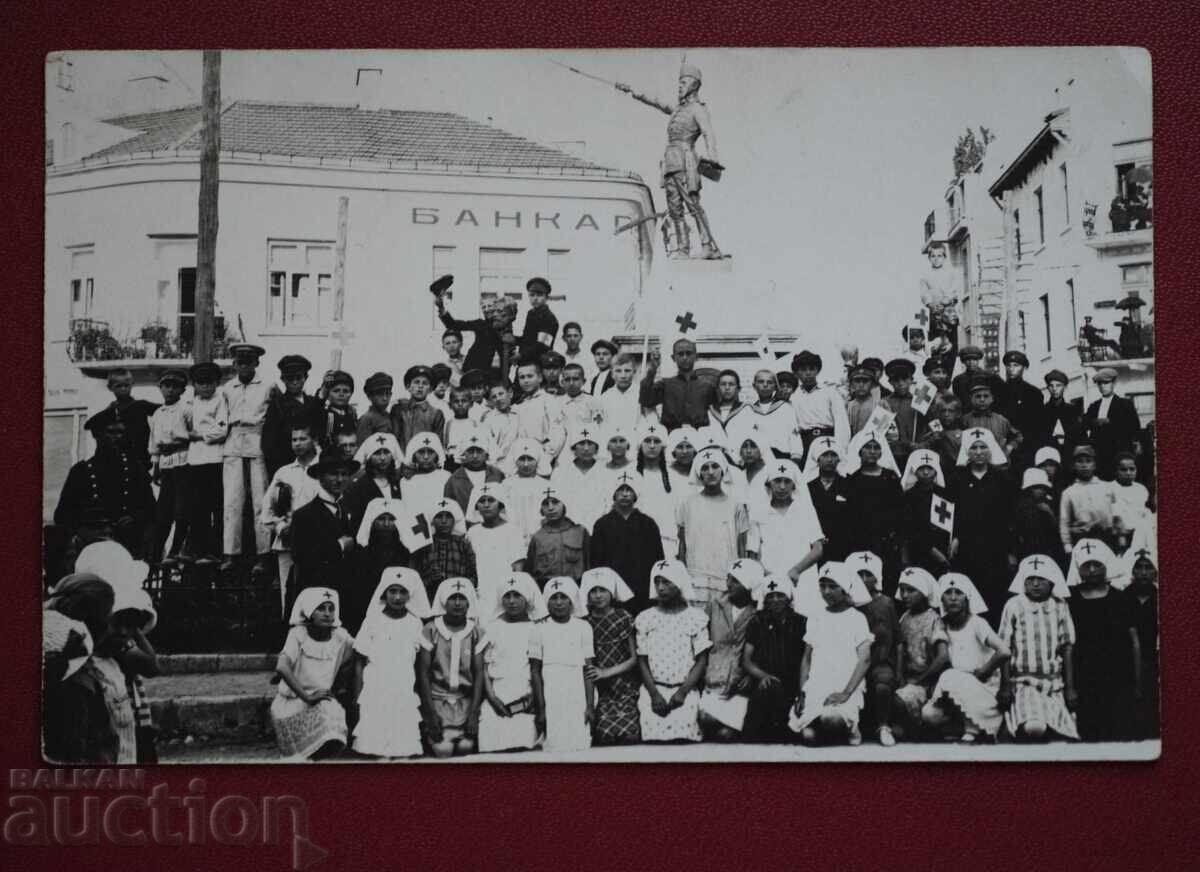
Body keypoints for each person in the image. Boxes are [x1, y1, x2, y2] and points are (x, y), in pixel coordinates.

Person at [617, 63, 722, 259]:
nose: (680, 86)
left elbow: (708, 133)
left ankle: (708, 246)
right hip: (670, 164)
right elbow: (656, 101)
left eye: (683, 82)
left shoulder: (698, 109)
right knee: (675, 210)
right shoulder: (677, 109)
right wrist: (632, 91)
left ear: (694, 84)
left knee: (693, 205)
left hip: (685, 161)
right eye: (679, 82)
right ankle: (682, 248)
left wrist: (713, 157)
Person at [790, 562, 873, 746]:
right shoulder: (816, 616)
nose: (826, 591)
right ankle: (829, 730)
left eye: (833, 586)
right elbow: (807, 658)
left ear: (844, 589)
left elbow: (865, 659)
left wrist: (845, 693)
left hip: (845, 684)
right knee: (807, 737)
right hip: (818, 685)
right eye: (823, 586)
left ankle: (848, 727)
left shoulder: (857, 618)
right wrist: (802, 692)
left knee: (831, 719)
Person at [921, 573, 1011, 743]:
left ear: (967, 597)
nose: (953, 598)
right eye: (948, 593)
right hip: (958, 689)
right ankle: (964, 726)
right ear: (941, 598)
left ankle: (977, 727)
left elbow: (1004, 651)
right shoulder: (942, 625)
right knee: (929, 714)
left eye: (958, 593)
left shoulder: (977, 623)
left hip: (984, 687)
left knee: (950, 675)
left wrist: (985, 670)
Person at [55, 409, 155, 561]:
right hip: (91, 547)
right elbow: (62, 515)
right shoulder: (81, 472)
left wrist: (135, 518)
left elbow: (152, 509)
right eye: (111, 432)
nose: (118, 438)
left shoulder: (136, 469)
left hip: (128, 545)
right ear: (97, 435)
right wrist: (87, 527)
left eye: (121, 432)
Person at [999, 555, 1080, 743]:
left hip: (1053, 684)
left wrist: (1070, 688)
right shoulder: (1013, 605)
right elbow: (1004, 646)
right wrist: (1005, 685)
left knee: (1064, 728)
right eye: (1030, 579)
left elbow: (1067, 646)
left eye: (1041, 579)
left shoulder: (1060, 606)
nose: (1035, 584)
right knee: (1034, 726)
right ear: (1023, 582)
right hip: (1022, 682)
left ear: (1052, 582)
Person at [1066, 539, 1140, 742]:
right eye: (1086, 565)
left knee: (1118, 731)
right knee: (1090, 732)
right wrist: (1070, 686)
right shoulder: (1070, 601)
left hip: (1118, 676)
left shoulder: (1121, 598)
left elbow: (1133, 641)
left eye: (1096, 564)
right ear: (1077, 569)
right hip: (1085, 677)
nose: (1091, 570)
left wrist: (1137, 679)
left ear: (1106, 565)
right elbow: (1069, 646)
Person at [351, 568, 429, 759]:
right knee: (376, 747)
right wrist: (357, 692)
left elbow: (419, 663)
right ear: (384, 593)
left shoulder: (415, 623)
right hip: (375, 686)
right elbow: (359, 660)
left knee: (402, 747)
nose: (397, 597)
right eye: (392, 591)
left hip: (403, 686)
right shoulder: (372, 620)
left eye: (403, 592)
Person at [271, 587, 355, 761]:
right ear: (309, 611)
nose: (327, 614)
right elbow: (282, 666)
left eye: (331, 609)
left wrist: (341, 683)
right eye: (321, 608)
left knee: (332, 712)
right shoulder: (298, 634)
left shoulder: (340, 636)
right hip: (293, 702)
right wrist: (307, 697)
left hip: (321, 700)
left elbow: (358, 652)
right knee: (327, 712)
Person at [43, 573, 119, 763]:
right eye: (108, 616)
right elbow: (74, 753)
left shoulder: (59, 667)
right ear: (97, 623)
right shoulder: (77, 682)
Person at [635, 559, 712, 743]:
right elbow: (642, 660)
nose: (660, 588)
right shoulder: (646, 618)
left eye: (666, 582)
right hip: (654, 690)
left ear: (679, 583)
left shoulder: (696, 618)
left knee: (683, 737)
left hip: (684, 691)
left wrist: (682, 692)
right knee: (653, 738)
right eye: (657, 582)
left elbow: (701, 660)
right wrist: (654, 694)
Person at [220, 343, 274, 572]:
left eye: (249, 362)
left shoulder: (268, 386)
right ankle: (231, 553)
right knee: (232, 501)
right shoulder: (227, 388)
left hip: (257, 441)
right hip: (233, 442)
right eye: (240, 362)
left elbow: (275, 416)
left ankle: (264, 554)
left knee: (261, 500)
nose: (244, 366)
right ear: (234, 364)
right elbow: (221, 420)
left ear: (256, 363)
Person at [950, 428, 1013, 621]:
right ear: (967, 452)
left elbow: (1009, 517)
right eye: (974, 447)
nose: (978, 452)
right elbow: (952, 513)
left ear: (990, 450)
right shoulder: (957, 479)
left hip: (996, 548)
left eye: (983, 447)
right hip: (966, 548)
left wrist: (1011, 550)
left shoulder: (1002, 479)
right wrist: (954, 538)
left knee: (994, 596)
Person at [478, 572, 544, 754]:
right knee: (490, 742)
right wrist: (491, 697)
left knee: (523, 744)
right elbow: (483, 666)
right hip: (496, 694)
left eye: (517, 595)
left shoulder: (535, 629)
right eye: (507, 596)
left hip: (525, 695)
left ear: (528, 598)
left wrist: (533, 698)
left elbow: (537, 669)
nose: (512, 601)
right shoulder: (493, 627)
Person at [419, 578, 485, 758]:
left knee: (466, 747)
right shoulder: (431, 630)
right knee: (443, 749)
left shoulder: (476, 631)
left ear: (469, 601)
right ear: (442, 600)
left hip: (465, 702)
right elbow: (423, 674)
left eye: (462, 598)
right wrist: (431, 714)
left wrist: (473, 713)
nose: (457, 603)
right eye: (452, 598)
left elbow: (479, 673)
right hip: (438, 702)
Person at [261, 420, 321, 614]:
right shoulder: (284, 472)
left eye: (303, 438)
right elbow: (266, 510)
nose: (297, 443)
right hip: (287, 542)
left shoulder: (323, 470)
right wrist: (281, 528)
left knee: (316, 593)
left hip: (317, 542)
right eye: (294, 439)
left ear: (314, 440)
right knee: (288, 594)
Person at [676, 447, 749, 605]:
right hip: (696, 579)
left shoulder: (736, 505)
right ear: (698, 473)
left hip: (726, 579)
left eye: (715, 466)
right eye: (704, 468)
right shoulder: (687, 504)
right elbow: (682, 544)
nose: (710, 472)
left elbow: (741, 546)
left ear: (723, 470)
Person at [697, 559, 760, 740]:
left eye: (736, 581)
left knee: (725, 735)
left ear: (750, 584)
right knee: (706, 719)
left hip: (740, 685)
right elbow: (703, 642)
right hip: (714, 678)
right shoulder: (714, 606)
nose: (729, 584)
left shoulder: (758, 611)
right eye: (728, 579)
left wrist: (750, 676)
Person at [531, 576, 596, 752]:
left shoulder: (583, 627)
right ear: (547, 601)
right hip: (551, 691)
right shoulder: (539, 629)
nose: (559, 602)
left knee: (579, 744)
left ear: (572, 600)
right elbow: (535, 671)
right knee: (553, 745)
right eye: (554, 597)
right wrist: (542, 709)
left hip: (576, 691)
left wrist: (589, 705)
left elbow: (588, 669)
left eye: (563, 597)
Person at [739, 573, 806, 742]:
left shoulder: (801, 623)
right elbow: (746, 660)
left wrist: (802, 691)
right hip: (764, 681)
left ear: (789, 597)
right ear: (765, 599)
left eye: (780, 595)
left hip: (792, 682)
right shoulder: (757, 622)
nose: (775, 600)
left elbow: (807, 659)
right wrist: (763, 676)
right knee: (768, 688)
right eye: (771, 596)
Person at [579, 567, 642, 746]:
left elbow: (634, 658)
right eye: (593, 591)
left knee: (629, 736)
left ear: (612, 592)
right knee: (605, 735)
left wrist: (606, 672)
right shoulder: (585, 623)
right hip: (602, 690)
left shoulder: (623, 617)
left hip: (625, 686)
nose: (598, 596)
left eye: (603, 590)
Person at [288, 453, 362, 602]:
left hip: (348, 595)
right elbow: (301, 557)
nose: (340, 480)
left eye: (344, 474)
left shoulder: (351, 510)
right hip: (318, 596)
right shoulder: (304, 516)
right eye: (334, 474)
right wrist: (339, 546)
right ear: (320, 477)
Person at [590, 473, 666, 614]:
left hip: (642, 586)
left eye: (629, 490)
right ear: (614, 494)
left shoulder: (648, 523)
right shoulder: (602, 524)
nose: (625, 494)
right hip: (613, 588)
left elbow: (658, 559)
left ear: (636, 494)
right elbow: (596, 562)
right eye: (620, 490)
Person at [842, 428, 905, 596]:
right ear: (859, 451)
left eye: (876, 447)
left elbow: (900, 511)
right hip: (861, 541)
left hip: (887, 542)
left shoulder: (891, 478)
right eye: (867, 447)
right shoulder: (852, 480)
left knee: (887, 582)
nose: (872, 451)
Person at [747, 460, 825, 590]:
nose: (782, 487)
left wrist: (796, 570)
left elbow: (818, 549)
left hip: (803, 578)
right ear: (769, 484)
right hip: (771, 582)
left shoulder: (805, 509)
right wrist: (767, 575)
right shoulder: (758, 512)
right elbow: (753, 554)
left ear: (794, 485)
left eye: (787, 481)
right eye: (777, 481)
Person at [848, 551, 901, 746]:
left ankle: (883, 726)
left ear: (876, 577)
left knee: (883, 682)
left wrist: (899, 671)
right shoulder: (846, 604)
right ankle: (852, 725)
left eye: (867, 574)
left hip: (880, 661)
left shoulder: (886, 603)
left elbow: (897, 640)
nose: (863, 579)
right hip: (852, 662)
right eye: (858, 574)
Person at [182, 361, 227, 563]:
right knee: (197, 507)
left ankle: (215, 550)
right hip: (194, 461)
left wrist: (198, 435)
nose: (206, 387)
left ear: (216, 383)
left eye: (210, 383)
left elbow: (222, 430)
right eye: (201, 383)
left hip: (215, 459)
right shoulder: (191, 403)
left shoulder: (220, 401)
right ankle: (196, 549)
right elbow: (182, 428)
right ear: (195, 385)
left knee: (216, 506)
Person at [892, 567, 944, 741]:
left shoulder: (934, 619)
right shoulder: (904, 618)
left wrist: (922, 679)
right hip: (906, 679)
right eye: (902, 590)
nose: (905, 595)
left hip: (925, 681)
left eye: (911, 590)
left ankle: (921, 727)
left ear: (923, 592)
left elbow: (942, 657)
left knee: (897, 701)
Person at [147, 369, 191, 564]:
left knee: (181, 510)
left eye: (175, 386)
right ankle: (155, 554)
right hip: (166, 465)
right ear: (161, 388)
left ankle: (176, 549)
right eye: (166, 386)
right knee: (163, 510)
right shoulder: (157, 413)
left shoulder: (187, 409)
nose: (170, 390)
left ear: (182, 389)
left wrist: (181, 444)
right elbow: (154, 443)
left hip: (184, 462)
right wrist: (155, 467)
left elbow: (195, 435)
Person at [466, 482, 526, 607]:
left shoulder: (513, 530)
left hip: (507, 593)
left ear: (500, 504)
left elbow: (518, 568)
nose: (486, 505)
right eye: (482, 501)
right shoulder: (473, 533)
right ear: (476, 506)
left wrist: (513, 592)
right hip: (480, 593)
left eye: (491, 500)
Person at [263, 355, 323, 477]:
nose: (294, 382)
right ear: (283, 379)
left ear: (305, 378)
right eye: (290, 378)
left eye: (298, 377)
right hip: (287, 462)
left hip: (312, 461)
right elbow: (269, 442)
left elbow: (320, 430)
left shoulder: (313, 403)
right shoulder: (277, 405)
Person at [639, 338, 716, 431]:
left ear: (696, 356)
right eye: (680, 354)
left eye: (688, 353)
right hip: (672, 435)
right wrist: (653, 369)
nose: (684, 357)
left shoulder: (707, 386)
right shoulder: (665, 384)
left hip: (699, 435)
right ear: (673, 357)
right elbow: (646, 400)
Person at [789, 350, 850, 466]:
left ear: (817, 370)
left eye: (811, 369)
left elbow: (841, 422)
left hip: (827, 439)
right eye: (803, 370)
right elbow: (793, 428)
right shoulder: (794, 397)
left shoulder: (830, 392)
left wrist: (841, 449)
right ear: (796, 373)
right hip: (804, 442)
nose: (808, 373)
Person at [1123, 546, 1159, 739]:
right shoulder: (1123, 598)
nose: (1143, 572)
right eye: (1139, 567)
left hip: (1154, 659)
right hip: (1127, 661)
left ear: (1155, 571)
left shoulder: (1160, 598)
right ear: (1132, 570)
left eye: (1148, 567)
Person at [437, 292, 519, 376]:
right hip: (474, 372)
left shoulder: (508, 331)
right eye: (483, 307)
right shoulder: (481, 325)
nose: (487, 310)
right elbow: (454, 325)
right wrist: (441, 308)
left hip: (497, 378)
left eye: (490, 306)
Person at [410, 498, 477, 598]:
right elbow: (412, 577)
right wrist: (429, 579)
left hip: (457, 596)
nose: (444, 521)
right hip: (429, 596)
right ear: (432, 520)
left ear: (455, 519)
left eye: (449, 517)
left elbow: (474, 575)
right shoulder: (423, 545)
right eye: (439, 517)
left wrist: (459, 584)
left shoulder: (463, 544)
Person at [900, 449, 953, 576]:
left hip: (945, 550)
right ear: (914, 471)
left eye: (929, 468)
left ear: (936, 471)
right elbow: (910, 529)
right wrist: (932, 550)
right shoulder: (908, 497)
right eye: (921, 468)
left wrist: (954, 541)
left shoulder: (946, 494)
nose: (925, 472)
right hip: (919, 552)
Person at [1082, 368, 1141, 479]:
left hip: (1118, 453)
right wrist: (1094, 422)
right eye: (1100, 384)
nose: (1103, 386)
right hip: (1099, 455)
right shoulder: (1094, 406)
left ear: (1114, 383)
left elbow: (1134, 427)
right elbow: (1084, 425)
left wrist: (1110, 422)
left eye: (1106, 383)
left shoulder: (1125, 404)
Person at [550, 424, 609, 532]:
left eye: (590, 443)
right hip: (568, 531)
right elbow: (555, 504)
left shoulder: (606, 472)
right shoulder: (560, 473)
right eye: (581, 443)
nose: (586, 448)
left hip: (600, 531)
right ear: (573, 447)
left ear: (596, 448)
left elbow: (609, 504)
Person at [527, 487, 590, 586]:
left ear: (564, 505)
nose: (550, 508)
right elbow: (530, 572)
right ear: (541, 510)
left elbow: (590, 565)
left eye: (555, 502)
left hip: (576, 586)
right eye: (545, 504)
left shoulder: (580, 532)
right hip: (547, 588)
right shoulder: (537, 537)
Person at [803, 436, 851, 562]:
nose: (829, 459)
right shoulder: (807, 487)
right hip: (814, 549)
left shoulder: (849, 485)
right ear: (817, 459)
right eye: (825, 455)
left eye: (833, 455)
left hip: (842, 547)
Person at [1059, 444, 1114, 552]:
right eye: (1080, 461)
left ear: (1094, 465)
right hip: (1083, 539)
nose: (1084, 465)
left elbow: (1117, 513)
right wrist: (1067, 545)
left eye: (1088, 461)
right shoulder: (1069, 492)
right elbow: (1064, 521)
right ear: (1074, 465)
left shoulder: (1107, 487)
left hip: (1106, 537)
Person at [102, 368, 158, 471]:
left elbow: (165, 410)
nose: (123, 389)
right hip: (117, 462)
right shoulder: (109, 410)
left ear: (132, 384)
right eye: (119, 386)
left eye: (126, 385)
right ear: (110, 388)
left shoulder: (141, 405)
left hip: (140, 461)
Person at [1010, 468, 1067, 569]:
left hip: (1050, 550)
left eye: (1042, 487)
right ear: (1028, 489)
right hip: (1028, 549)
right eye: (1036, 487)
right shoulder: (1021, 507)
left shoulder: (1051, 503)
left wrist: (1049, 512)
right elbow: (1015, 532)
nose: (1040, 491)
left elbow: (1058, 530)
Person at [513, 360, 566, 467]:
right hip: (523, 458)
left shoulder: (549, 401)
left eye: (530, 376)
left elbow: (558, 433)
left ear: (540, 378)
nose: (526, 381)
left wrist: (545, 457)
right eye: (522, 377)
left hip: (543, 458)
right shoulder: (518, 405)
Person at [1000, 351, 1044, 471]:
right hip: (1004, 447)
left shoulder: (1034, 393)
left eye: (1016, 365)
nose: (1011, 369)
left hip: (1027, 447)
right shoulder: (999, 391)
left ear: (1024, 367)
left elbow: (1037, 424)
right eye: (1009, 365)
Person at [881, 357, 926, 474]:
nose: (901, 384)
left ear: (911, 380)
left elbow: (928, 427)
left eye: (905, 379)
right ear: (890, 382)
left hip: (916, 452)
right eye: (896, 380)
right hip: (893, 454)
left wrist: (921, 444)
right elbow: (880, 431)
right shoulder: (884, 403)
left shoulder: (920, 401)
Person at [961, 377, 1021, 462]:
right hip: (974, 465)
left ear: (992, 398)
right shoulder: (964, 421)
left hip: (998, 464)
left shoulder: (1001, 420)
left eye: (986, 396)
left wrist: (1009, 447)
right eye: (978, 396)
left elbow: (1017, 436)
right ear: (971, 399)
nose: (982, 399)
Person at [443, 433, 505, 513]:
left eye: (479, 451)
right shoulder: (454, 479)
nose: (475, 456)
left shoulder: (497, 475)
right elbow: (448, 509)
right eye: (471, 451)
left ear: (486, 453)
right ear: (464, 453)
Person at [505, 438, 549, 548]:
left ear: (538, 459)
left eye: (530, 459)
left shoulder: (546, 486)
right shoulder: (506, 486)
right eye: (521, 459)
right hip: (513, 538)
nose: (525, 464)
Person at [390, 365, 445, 453]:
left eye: (425, 383)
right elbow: (394, 439)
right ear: (408, 386)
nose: (420, 386)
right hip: (402, 461)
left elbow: (437, 444)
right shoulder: (399, 410)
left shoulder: (436, 414)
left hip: (425, 460)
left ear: (430, 389)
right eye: (416, 382)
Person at [1037, 369, 1082, 456]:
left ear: (1065, 387)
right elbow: (1039, 438)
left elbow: (1079, 436)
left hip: (1070, 454)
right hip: (1050, 455)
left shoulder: (1072, 410)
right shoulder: (1042, 411)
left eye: (1058, 385)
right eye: (1051, 386)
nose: (1054, 389)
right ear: (1047, 388)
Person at [402, 432, 452, 512]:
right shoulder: (407, 480)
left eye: (430, 452)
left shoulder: (446, 477)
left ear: (437, 454)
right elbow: (408, 509)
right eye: (421, 452)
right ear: (414, 455)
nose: (426, 457)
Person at [601, 353, 649, 434]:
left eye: (627, 371)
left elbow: (651, 420)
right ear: (612, 374)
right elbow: (600, 424)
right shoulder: (605, 397)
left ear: (634, 372)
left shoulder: (642, 394)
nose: (623, 375)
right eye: (618, 371)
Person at [519, 276, 559, 364]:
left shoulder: (549, 318)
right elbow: (528, 340)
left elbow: (542, 346)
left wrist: (521, 356)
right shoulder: (531, 314)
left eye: (539, 295)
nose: (535, 298)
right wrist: (514, 340)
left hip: (541, 363)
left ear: (547, 297)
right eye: (532, 295)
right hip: (527, 362)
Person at [480, 380, 519, 470]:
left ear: (510, 393)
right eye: (494, 397)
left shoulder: (519, 413)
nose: (498, 398)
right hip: (498, 465)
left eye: (501, 394)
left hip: (519, 463)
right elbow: (488, 446)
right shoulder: (489, 419)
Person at [317, 370, 358, 456]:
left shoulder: (352, 415)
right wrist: (323, 389)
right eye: (336, 391)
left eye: (346, 391)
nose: (341, 394)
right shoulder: (325, 414)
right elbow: (315, 409)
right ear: (328, 393)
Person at [558, 362, 605, 431]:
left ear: (583, 381)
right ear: (562, 382)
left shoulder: (593, 402)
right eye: (567, 379)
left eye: (575, 379)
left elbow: (598, 427)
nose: (571, 383)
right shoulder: (557, 403)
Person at [356, 371, 397, 445]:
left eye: (387, 394)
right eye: (380, 394)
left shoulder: (390, 416)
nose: (385, 398)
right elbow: (363, 448)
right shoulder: (367, 419)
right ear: (370, 396)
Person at [845, 366, 880, 437]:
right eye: (857, 381)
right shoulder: (847, 406)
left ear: (872, 384)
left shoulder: (879, 406)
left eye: (865, 381)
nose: (861, 385)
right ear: (851, 384)